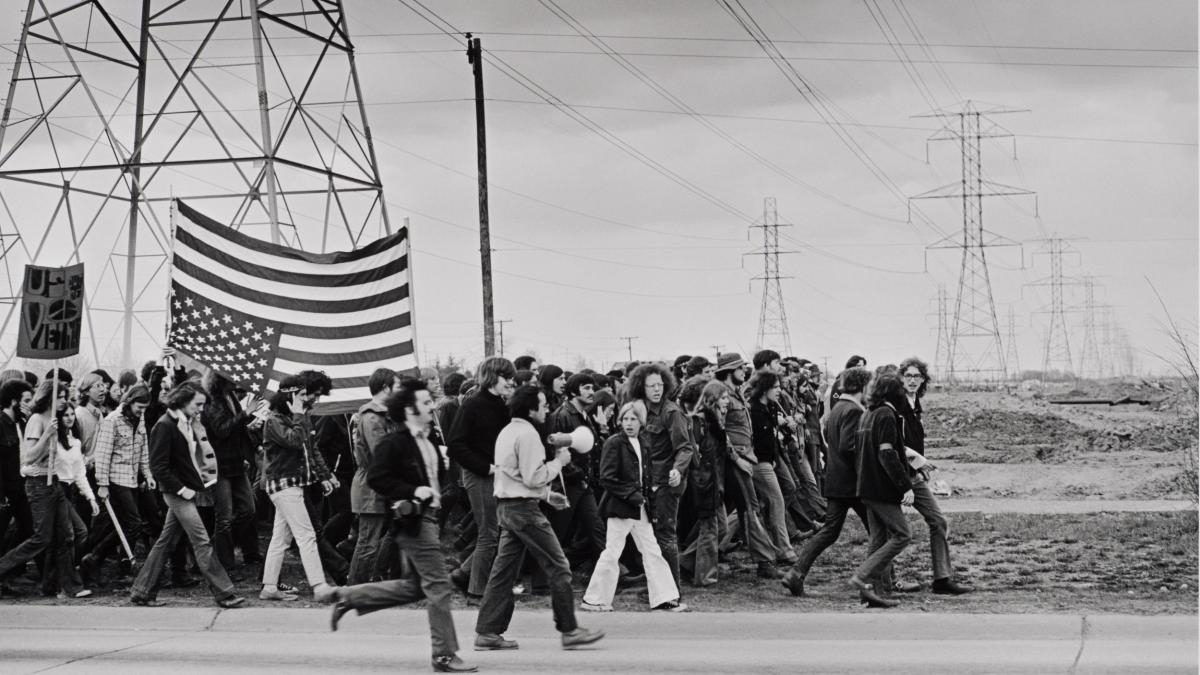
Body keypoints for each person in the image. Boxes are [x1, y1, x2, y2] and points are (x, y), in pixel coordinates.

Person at [328, 379, 477, 673]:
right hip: (415, 523)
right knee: (438, 587)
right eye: (425, 402)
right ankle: (444, 655)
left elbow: (436, 474)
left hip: (428, 520)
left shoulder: (429, 438)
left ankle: (349, 596)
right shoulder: (394, 443)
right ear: (409, 410)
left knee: (416, 587)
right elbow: (377, 478)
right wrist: (412, 491)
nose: (432, 406)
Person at [473, 385, 605, 652]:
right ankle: (569, 630)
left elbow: (514, 476)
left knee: (503, 573)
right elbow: (533, 476)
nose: (546, 409)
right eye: (543, 405)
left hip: (509, 508)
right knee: (559, 566)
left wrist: (546, 495)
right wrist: (560, 462)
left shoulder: (508, 432)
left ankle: (487, 632)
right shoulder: (529, 434)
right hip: (524, 512)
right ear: (531, 409)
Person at [129, 382, 243, 608]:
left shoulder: (186, 423)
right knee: (201, 540)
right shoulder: (165, 425)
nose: (201, 409)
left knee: (165, 542)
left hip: (185, 491)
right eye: (198, 404)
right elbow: (158, 467)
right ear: (183, 401)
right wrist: (183, 489)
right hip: (176, 492)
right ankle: (224, 593)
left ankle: (142, 591)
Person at [582, 401, 685, 612]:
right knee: (612, 551)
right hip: (621, 507)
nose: (629, 423)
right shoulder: (614, 443)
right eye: (625, 419)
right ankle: (594, 599)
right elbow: (607, 478)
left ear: (641, 422)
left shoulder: (643, 443)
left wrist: (645, 499)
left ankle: (664, 597)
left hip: (640, 507)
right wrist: (634, 496)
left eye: (634, 419)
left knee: (651, 550)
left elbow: (645, 476)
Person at [782, 366, 872, 597]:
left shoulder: (838, 408)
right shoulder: (853, 410)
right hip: (852, 484)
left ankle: (796, 573)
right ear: (861, 386)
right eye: (868, 385)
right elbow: (848, 446)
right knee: (879, 532)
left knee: (829, 531)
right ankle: (882, 582)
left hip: (837, 481)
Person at [0, 380, 91, 599]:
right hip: (38, 483)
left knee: (66, 535)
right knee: (41, 537)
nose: (63, 401)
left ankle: (69, 586)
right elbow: (29, 456)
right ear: (49, 397)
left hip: (55, 483)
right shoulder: (37, 420)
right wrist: (47, 435)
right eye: (59, 396)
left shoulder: (55, 421)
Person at [893, 357, 973, 596]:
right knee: (889, 533)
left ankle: (942, 578)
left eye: (917, 376)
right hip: (895, 475)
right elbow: (895, 444)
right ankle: (880, 580)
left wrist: (919, 467)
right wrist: (918, 462)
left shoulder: (916, 404)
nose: (913, 381)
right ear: (901, 378)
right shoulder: (895, 406)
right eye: (908, 376)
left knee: (938, 521)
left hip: (913, 475)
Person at [259, 371, 338, 602]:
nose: (307, 399)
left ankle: (269, 587)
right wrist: (299, 416)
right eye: (301, 395)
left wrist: (325, 475)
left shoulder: (296, 418)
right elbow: (294, 441)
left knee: (280, 539)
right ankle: (320, 586)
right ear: (289, 396)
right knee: (307, 536)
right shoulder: (275, 420)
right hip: (284, 486)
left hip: (290, 485)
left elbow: (311, 449)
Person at [447, 357, 515, 597]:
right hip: (480, 475)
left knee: (497, 531)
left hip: (497, 474)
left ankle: (463, 574)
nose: (510, 382)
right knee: (489, 535)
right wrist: (485, 467)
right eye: (507, 377)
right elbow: (455, 443)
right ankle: (477, 592)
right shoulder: (473, 404)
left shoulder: (501, 404)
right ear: (492, 377)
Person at [849, 371, 913, 609]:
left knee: (878, 539)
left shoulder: (868, 414)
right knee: (902, 535)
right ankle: (862, 576)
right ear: (896, 393)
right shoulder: (886, 414)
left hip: (866, 486)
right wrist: (905, 486)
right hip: (881, 488)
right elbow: (887, 453)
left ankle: (870, 593)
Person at [626, 362, 693, 588]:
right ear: (640, 388)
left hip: (665, 482)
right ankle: (656, 585)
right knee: (648, 537)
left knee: (665, 536)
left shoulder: (671, 412)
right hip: (643, 482)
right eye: (651, 386)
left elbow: (685, 447)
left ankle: (672, 589)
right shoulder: (636, 410)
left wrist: (678, 469)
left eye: (660, 385)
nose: (657, 389)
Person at [712, 353, 778, 579]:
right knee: (750, 508)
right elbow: (720, 431)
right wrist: (737, 459)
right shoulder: (722, 394)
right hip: (734, 460)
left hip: (744, 457)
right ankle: (764, 561)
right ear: (730, 371)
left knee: (735, 511)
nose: (744, 372)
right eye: (741, 368)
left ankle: (693, 557)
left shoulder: (735, 393)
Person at [84, 385, 153, 583]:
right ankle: (112, 563)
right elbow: (103, 454)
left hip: (131, 478)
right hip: (115, 479)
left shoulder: (140, 419)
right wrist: (102, 484)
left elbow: (143, 450)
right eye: (139, 407)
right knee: (134, 523)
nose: (142, 411)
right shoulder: (112, 421)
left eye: (145, 408)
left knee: (126, 524)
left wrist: (147, 474)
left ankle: (101, 560)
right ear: (130, 402)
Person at [202, 371, 263, 571]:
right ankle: (224, 563)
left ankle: (218, 548)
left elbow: (236, 430)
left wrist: (248, 450)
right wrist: (245, 414)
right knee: (225, 516)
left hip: (236, 463)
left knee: (249, 509)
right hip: (219, 466)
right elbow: (221, 430)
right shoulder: (212, 401)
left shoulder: (231, 397)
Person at [547, 372, 605, 569]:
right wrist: (577, 474)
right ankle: (544, 575)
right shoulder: (562, 416)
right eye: (586, 388)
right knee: (557, 531)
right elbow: (556, 450)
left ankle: (612, 571)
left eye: (592, 388)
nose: (592, 392)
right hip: (568, 484)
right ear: (573, 391)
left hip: (582, 482)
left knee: (596, 526)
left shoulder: (584, 415)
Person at [347, 368, 399, 584]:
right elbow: (381, 453)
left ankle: (372, 579)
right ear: (386, 388)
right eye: (397, 387)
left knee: (385, 535)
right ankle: (355, 589)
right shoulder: (372, 417)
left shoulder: (382, 415)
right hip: (371, 486)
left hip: (379, 484)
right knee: (367, 542)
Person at [678, 378, 728, 586]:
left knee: (721, 527)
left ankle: (685, 561)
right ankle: (705, 576)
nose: (728, 402)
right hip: (704, 484)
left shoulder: (714, 422)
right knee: (710, 529)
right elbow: (695, 456)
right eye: (724, 398)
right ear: (713, 399)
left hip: (713, 482)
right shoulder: (700, 423)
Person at [746, 371, 797, 565]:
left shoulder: (769, 407)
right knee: (776, 501)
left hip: (767, 460)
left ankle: (722, 544)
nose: (779, 391)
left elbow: (772, 437)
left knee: (752, 508)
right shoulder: (754, 410)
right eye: (775, 387)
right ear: (765, 388)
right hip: (758, 462)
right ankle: (784, 550)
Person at [52, 401, 98, 595]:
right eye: (65, 415)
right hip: (56, 488)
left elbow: (79, 473)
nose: (70, 418)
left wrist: (91, 498)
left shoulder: (76, 442)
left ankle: (53, 580)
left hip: (70, 490)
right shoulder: (53, 440)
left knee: (80, 533)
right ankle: (71, 585)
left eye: (72, 414)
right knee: (70, 535)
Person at [0, 378, 34, 557]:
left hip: (22, 486)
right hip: (7, 490)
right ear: (13, 401)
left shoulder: (22, 423)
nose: (30, 405)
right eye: (26, 400)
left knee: (30, 530)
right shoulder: (1, 423)